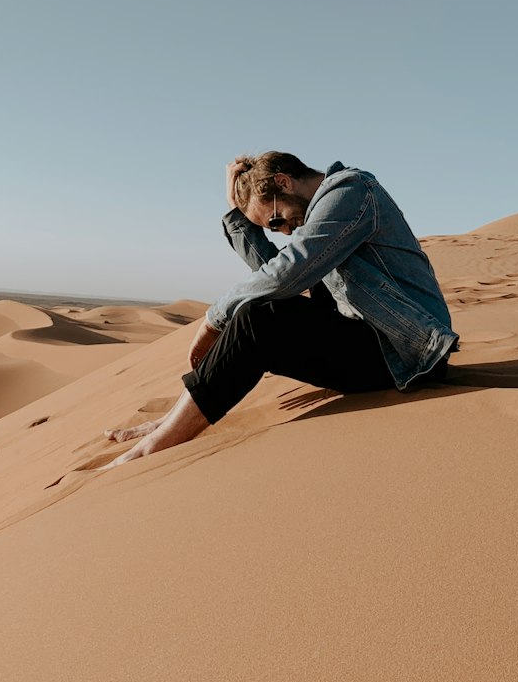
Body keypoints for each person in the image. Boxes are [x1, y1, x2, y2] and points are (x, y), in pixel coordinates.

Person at [105, 152, 458, 465]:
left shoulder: (352, 193)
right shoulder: (318, 216)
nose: (284, 231)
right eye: (274, 229)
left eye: (275, 221)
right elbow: (274, 277)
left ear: (284, 182)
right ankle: (171, 422)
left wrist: (213, 320)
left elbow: (287, 273)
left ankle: (154, 447)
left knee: (257, 320)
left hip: (408, 356)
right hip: (374, 347)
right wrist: (235, 215)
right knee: (260, 310)